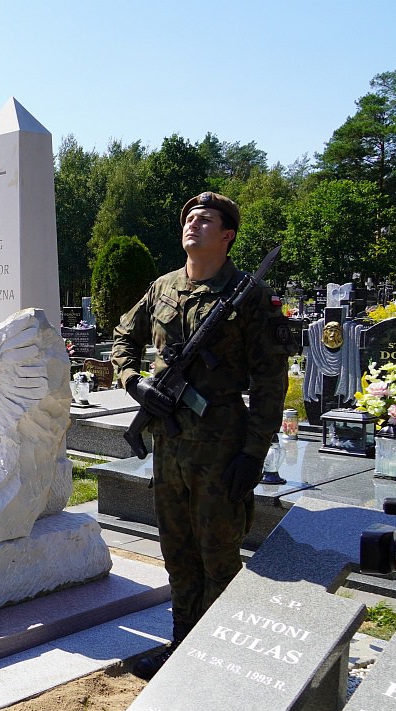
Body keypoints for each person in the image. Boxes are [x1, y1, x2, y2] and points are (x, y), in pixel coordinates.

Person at [110, 192, 289, 680]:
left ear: (227, 235)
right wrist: (134, 382)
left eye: (205, 220)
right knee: (178, 553)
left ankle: (222, 658)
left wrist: (251, 456)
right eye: (189, 217)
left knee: (218, 555)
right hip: (168, 445)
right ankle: (183, 650)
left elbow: (271, 384)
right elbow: (124, 335)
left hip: (221, 448)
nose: (193, 224)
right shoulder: (163, 287)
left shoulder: (251, 298)